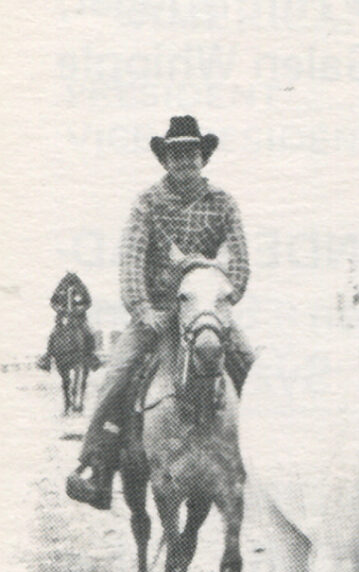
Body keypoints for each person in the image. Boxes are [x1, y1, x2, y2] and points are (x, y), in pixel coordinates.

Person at [66, 115, 254, 510]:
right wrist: (141, 307)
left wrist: (221, 298)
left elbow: (239, 262)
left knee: (251, 367)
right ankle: (96, 468)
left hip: (204, 310)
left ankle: (260, 461)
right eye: (176, 154)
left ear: (203, 157)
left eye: (192, 153)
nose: (185, 161)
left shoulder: (223, 203)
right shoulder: (147, 204)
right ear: (165, 160)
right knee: (115, 378)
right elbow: (131, 259)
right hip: (156, 311)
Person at [37, 271, 100, 371]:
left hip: (79, 318)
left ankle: (91, 356)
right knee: (53, 334)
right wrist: (60, 309)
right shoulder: (60, 289)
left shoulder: (81, 289)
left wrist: (80, 309)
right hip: (62, 318)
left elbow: (88, 302)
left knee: (88, 333)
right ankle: (47, 357)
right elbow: (53, 302)